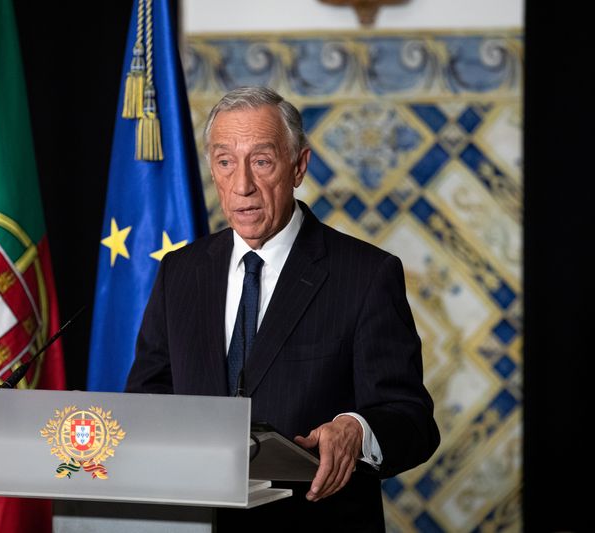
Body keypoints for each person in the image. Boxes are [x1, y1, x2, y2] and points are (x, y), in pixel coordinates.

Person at [125, 86, 440, 530]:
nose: (242, 186)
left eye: (261, 161)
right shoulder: (181, 271)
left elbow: (412, 420)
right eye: (225, 162)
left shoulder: (366, 274)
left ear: (298, 167)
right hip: (193, 521)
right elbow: (146, 397)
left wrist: (356, 429)